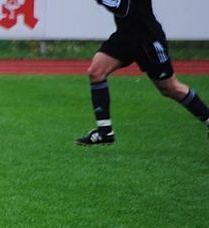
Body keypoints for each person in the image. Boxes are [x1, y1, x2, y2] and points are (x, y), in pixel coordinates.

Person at [77, 0, 209, 145]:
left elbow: (123, 8)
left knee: (170, 88)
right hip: (126, 37)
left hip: (148, 40)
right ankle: (105, 132)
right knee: (96, 72)